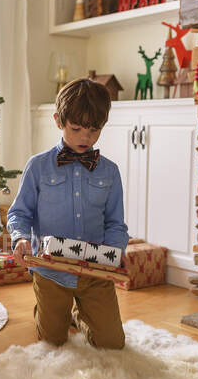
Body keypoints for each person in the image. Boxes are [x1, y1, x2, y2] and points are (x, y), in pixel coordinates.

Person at [7, 78, 129, 349]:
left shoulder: (110, 172)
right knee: (53, 342)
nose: (85, 137)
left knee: (112, 344)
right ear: (58, 121)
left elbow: (115, 223)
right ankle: (48, 312)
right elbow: (19, 213)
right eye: (76, 129)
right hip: (51, 273)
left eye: (94, 130)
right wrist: (20, 239)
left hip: (95, 273)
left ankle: (78, 315)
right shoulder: (37, 166)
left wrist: (117, 252)